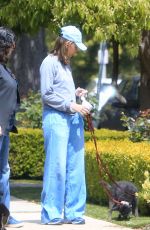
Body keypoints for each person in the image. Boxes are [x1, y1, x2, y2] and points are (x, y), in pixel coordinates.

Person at [40, 25, 90, 225]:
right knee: (57, 167)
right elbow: (47, 94)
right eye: (75, 47)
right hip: (56, 119)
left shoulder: (65, 64)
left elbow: (59, 91)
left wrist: (75, 95)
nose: (77, 51)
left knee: (76, 166)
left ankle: (74, 212)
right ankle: (51, 214)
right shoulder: (49, 63)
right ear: (67, 44)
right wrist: (71, 104)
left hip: (71, 118)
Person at [0, 27, 23, 228]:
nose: (13, 49)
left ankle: (5, 215)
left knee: (3, 172)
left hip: (5, 128)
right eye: (11, 45)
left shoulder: (4, 68)